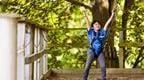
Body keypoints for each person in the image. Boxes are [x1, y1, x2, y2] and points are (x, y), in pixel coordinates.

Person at [83, 11, 114, 80]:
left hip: (100, 52)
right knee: (87, 66)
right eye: (96, 24)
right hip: (92, 51)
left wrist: (112, 15)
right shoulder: (90, 32)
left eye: (98, 24)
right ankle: (84, 78)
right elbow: (87, 23)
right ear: (93, 26)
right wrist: (85, 15)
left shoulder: (102, 32)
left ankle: (103, 78)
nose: (97, 25)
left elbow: (107, 24)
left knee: (103, 66)